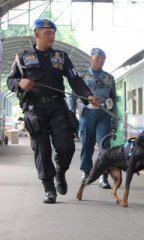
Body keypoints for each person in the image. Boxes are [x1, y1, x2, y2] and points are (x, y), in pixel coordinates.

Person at [7, 18, 100, 204]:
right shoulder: (22, 58)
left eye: (53, 33)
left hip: (57, 107)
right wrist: (19, 83)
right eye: (47, 33)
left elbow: (75, 80)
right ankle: (49, 189)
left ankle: (60, 172)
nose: (52, 36)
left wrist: (88, 95)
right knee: (42, 149)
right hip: (35, 109)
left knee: (67, 146)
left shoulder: (61, 57)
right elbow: (11, 81)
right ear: (37, 34)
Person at [68, 48, 118, 189]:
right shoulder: (81, 77)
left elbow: (114, 101)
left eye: (102, 58)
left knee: (105, 146)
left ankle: (103, 175)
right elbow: (72, 97)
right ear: (91, 59)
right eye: (96, 57)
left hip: (104, 115)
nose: (99, 60)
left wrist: (114, 121)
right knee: (87, 145)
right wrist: (71, 115)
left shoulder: (109, 78)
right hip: (87, 114)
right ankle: (86, 172)